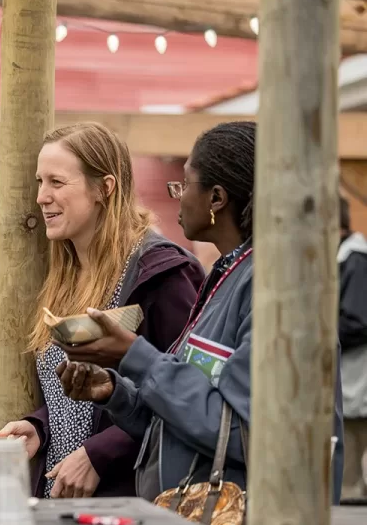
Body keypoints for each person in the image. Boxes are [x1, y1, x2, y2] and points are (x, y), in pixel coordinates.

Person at [56, 121, 345, 503]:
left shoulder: (278, 287)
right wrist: (116, 393)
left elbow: (246, 432)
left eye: (185, 183)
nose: (176, 196)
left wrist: (135, 356)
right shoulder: (229, 276)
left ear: (217, 198)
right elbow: (190, 416)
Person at [0, 122, 204, 499]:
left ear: (104, 189)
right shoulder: (64, 272)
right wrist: (39, 426)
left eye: (57, 183)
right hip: (58, 494)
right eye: (39, 182)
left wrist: (100, 453)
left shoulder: (161, 272)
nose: (41, 196)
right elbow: (73, 403)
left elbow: (188, 391)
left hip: (130, 497)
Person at [338, 195, 367, 498]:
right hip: (349, 388)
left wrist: (317, 337)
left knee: (349, 488)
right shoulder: (346, 257)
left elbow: (357, 321)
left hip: (356, 390)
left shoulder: (355, 259)